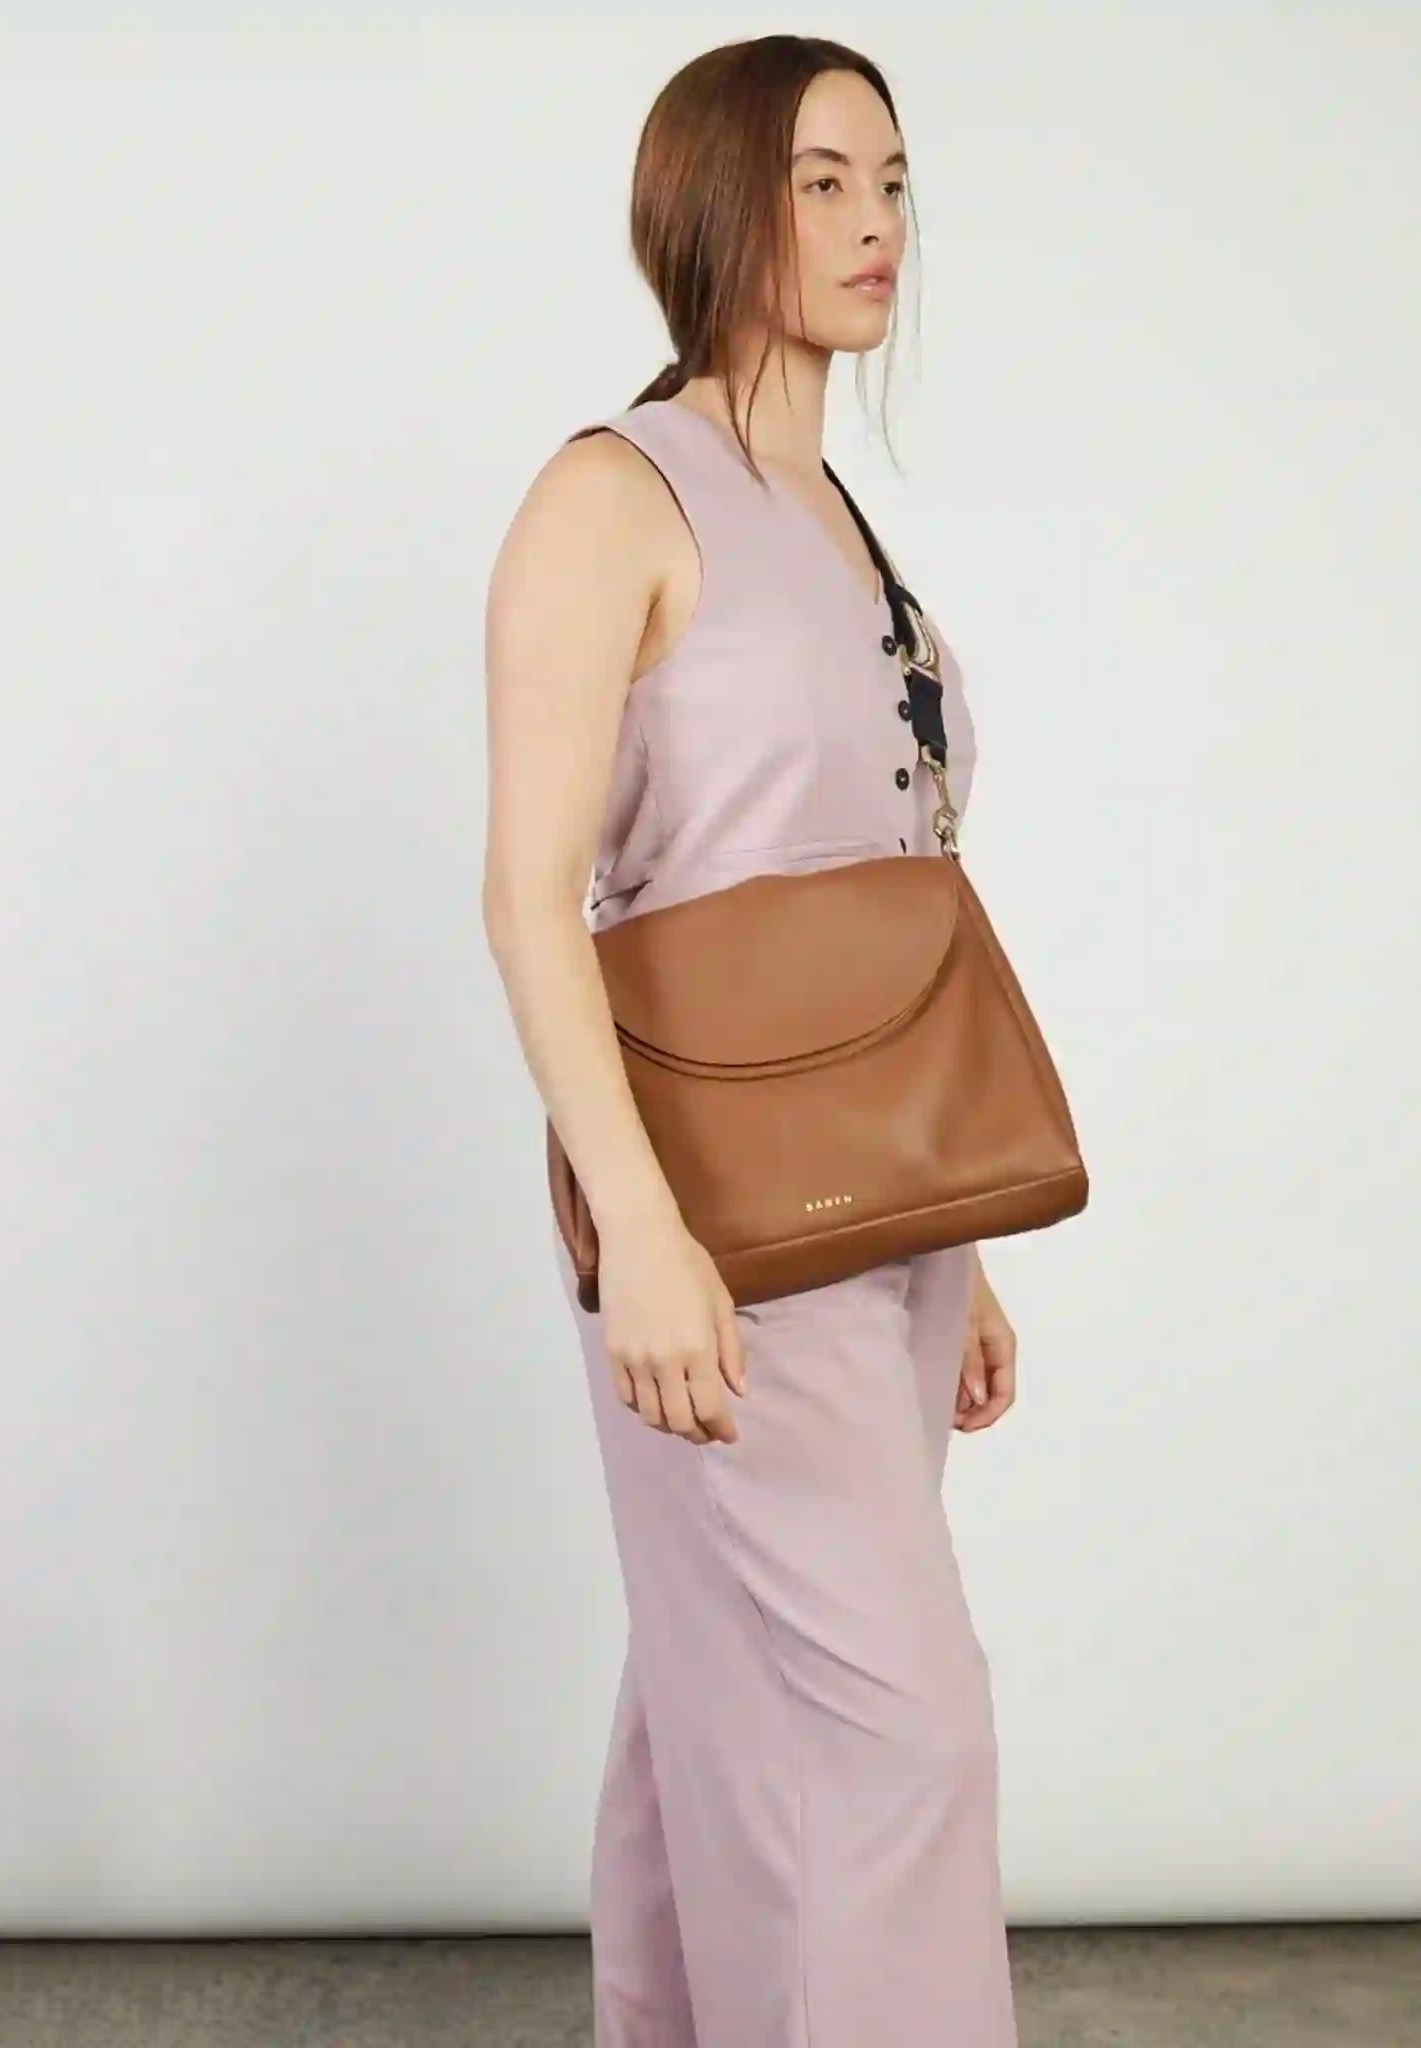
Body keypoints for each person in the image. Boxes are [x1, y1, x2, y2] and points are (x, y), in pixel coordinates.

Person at [481, 35, 1022, 2048]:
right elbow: (531, 896)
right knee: (893, 1740)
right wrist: (638, 1228)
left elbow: (888, 874)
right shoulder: (611, 496)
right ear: (713, 202)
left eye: (893, 179)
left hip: (875, 1221)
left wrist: (947, 1229)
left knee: (718, 1714)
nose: (877, 224)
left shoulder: (842, 517)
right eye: (821, 182)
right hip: (710, 1220)